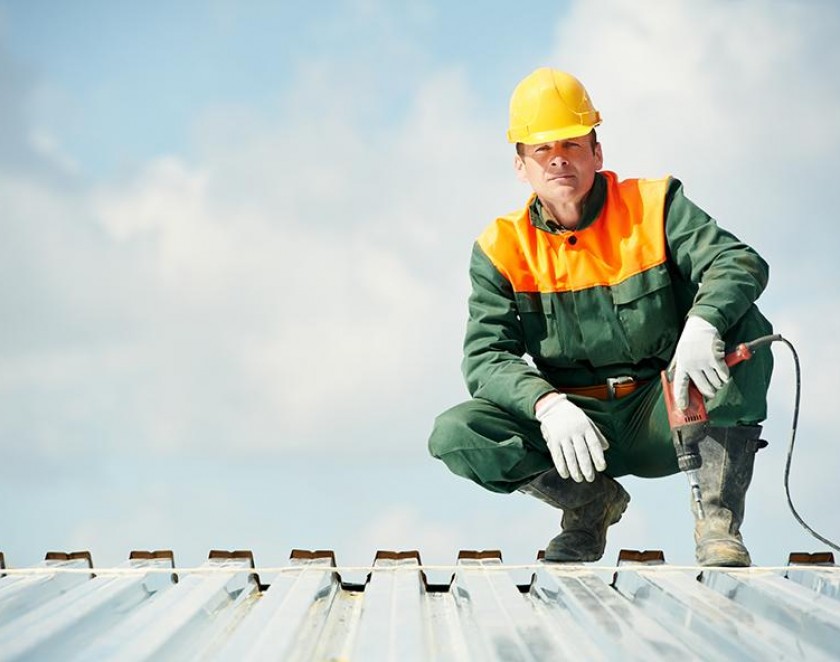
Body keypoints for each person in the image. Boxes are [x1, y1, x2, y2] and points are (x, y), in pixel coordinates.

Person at [428, 67, 773, 566]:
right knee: (456, 434)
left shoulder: (654, 206)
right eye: (541, 150)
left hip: (668, 413)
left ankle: (717, 520)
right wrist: (546, 405)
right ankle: (590, 507)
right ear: (520, 166)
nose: (558, 160)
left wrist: (704, 322)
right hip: (577, 434)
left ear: (597, 152)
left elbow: (738, 262)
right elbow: (485, 359)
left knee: (746, 329)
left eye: (571, 144)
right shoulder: (500, 249)